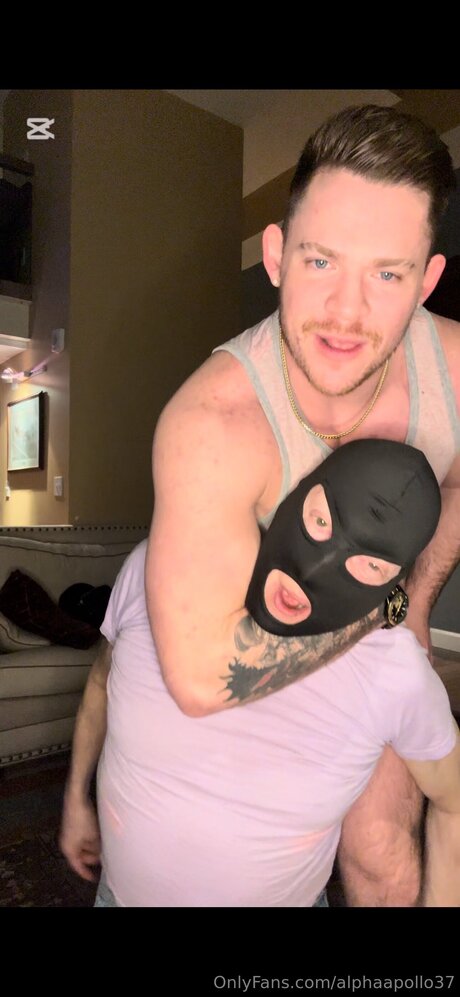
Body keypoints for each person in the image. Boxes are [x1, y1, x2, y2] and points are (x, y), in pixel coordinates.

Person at [145, 104, 460, 905]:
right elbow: (203, 676)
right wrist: (388, 607)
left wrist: (418, 598)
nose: (347, 314)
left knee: (381, 853)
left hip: (376, 646)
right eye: (322, 261)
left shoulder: (455, 371)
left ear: (427, 280)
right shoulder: (212, 423)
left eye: (387, 274)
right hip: (266, 662)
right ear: (277, 255)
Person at [59, 440, 460, 905]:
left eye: (370, 564)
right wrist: (76, 795)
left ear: (394, 580)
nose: (315, 570)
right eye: (320, 521)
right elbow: (101, 682)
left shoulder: (394, 669)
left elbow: (453, 801)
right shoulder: (162, 569)